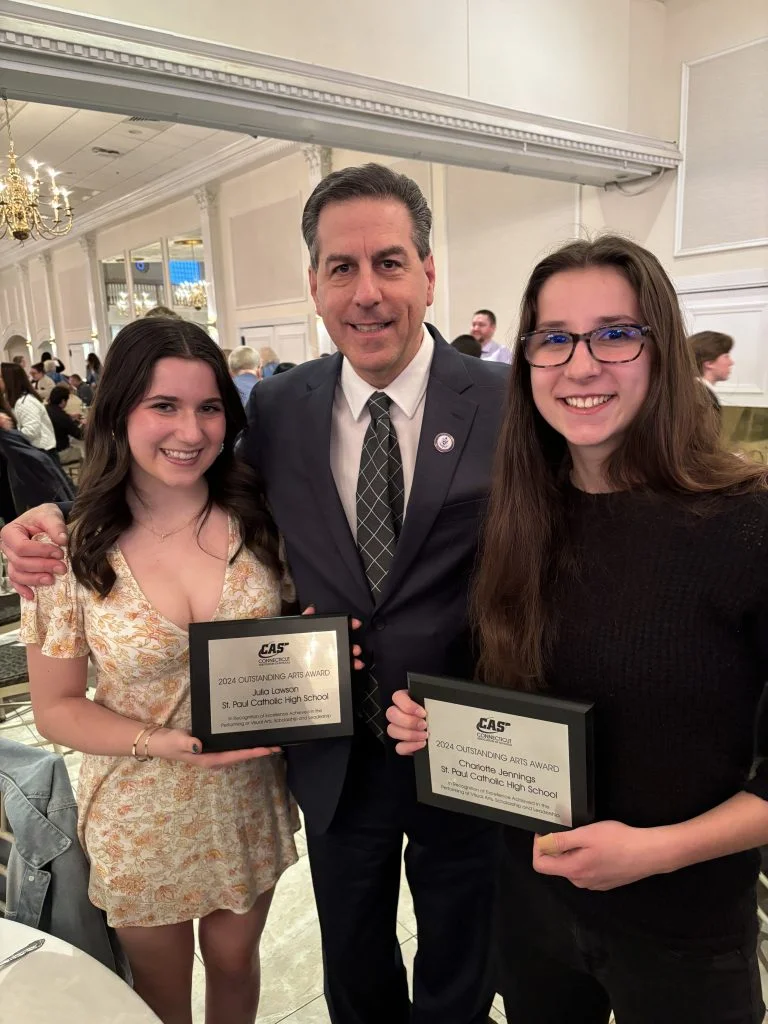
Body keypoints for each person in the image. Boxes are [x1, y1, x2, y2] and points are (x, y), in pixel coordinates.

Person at [3, 163, 509, 1024]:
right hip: (327, 745)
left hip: (463, 736)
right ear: (313, 284)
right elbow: (170, 484)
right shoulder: (281, 408)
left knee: (463, 949)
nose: (367, 291)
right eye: (341, 269)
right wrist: (45, 514)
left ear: (430, 271)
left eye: (390, 262)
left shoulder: (508, 403)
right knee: (353, 952)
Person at [387, 236, 768, 1024]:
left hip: (685, 928)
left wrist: (654, 851)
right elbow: (523, 698)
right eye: (554, 338)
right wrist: (449, 728)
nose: (581, 364)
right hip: (532, 908)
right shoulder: (519, 517)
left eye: (615, 333)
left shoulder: (746, 522)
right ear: (526, 363)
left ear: (660, 350)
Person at [17, 318, 306, 1024]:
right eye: (164, 406)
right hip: (140, 806)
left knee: (237, 968)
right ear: (119, 412)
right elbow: (56, 708)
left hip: (247, 791)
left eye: (209, 407)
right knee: (159, 991)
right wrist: (165, 743)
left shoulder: (261, 520)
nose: (192, 429)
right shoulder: (70, 549)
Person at [1, 362, 57, 461]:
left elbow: (31, 432)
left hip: (42, 453)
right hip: (37, 452)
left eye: (0, 377)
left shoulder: (25, 402)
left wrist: (9, 433)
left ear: (9, 379)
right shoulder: (17, 401)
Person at [690, 329, 734, 413]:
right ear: (709, 363)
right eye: (726, 356)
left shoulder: (691, 392)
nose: (731, 362)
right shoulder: (703, 399)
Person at [46, 384, 83, 465]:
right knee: (83, 451)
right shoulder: (63, 417)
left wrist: (69, 417)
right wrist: (87, 424)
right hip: (59, 453)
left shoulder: (45, 409)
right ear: (63, 401)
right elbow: (80, 435)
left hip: (46, 452)